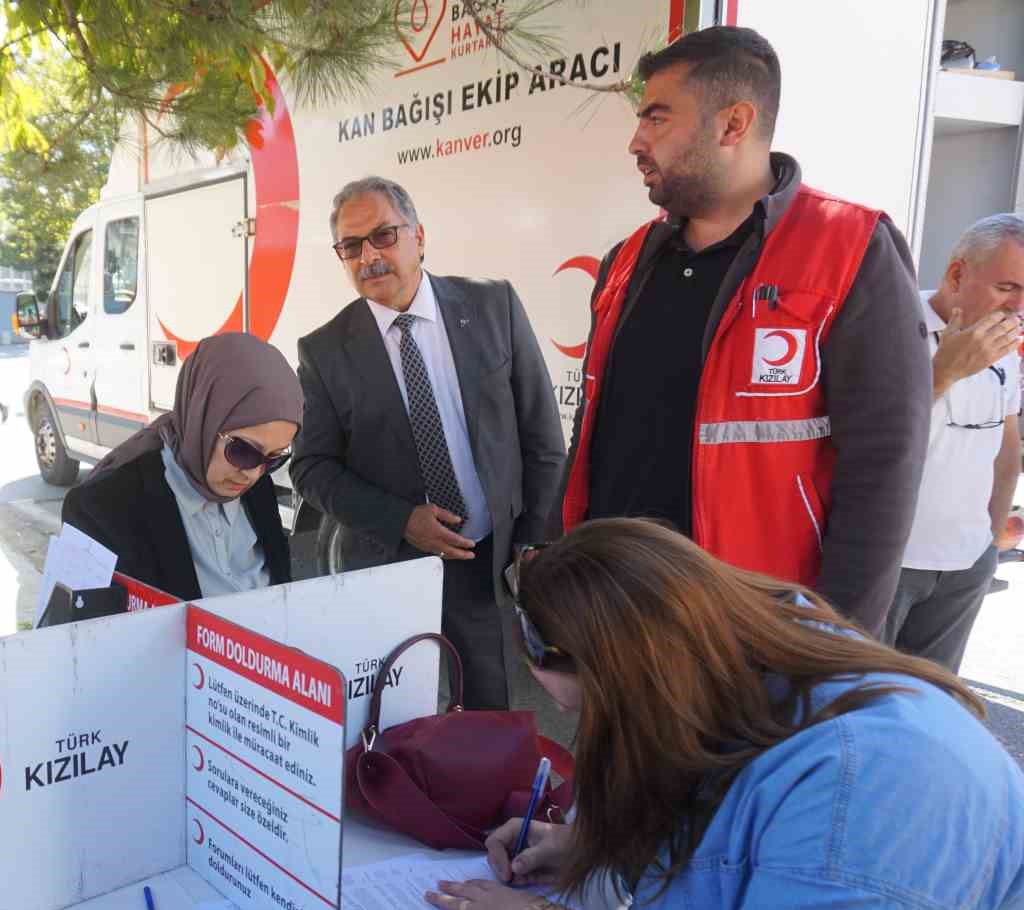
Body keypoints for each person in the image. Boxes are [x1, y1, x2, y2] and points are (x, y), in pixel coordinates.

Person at [416, 519, 1024, 910]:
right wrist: (597, 845)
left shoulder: (880, 784)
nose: (596, 735)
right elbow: (742, 845)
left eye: (595, 714)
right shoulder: (740, 677)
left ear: (637, 685)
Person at [554, 26, 931, 636]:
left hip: (754, 627)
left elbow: (884, 465)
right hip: (615, 613)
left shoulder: (851, 248)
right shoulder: (625, 261)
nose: (635, 142)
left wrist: (838, 640)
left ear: (733, 124)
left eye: (656, 118)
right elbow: (593, 434)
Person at [292, 175, 566, 708]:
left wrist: (532, 544)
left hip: (485, 555)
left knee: (485, 712)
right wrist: (401, 519)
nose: (368, 256)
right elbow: (311, 468)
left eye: (383, 236)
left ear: (420, 236)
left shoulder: (493, 306)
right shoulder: (324, 350)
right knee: (393, 715)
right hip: (389, 562)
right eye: (351, 246)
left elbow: (542, 437)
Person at [62, 332, 301, 600]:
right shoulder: (102, 508)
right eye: (242, 451)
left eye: (274, 458)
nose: (253, 473)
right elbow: (83, 631)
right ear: (203, 416)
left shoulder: (258, 488)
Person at [884, 214, 1024, 672]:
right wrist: (944, 373)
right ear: (957, 274)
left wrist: (989, 544)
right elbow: (859, 440)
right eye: (1008, 288)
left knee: (935, 703)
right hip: (889, 565)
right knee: (862, 700)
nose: (1018, 308)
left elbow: (1005, 448)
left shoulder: (1008, 350)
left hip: (965, 566)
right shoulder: (888, 327)